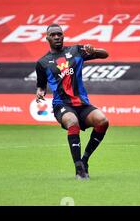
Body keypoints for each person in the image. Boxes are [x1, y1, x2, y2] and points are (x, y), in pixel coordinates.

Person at [35, 23, 110, 180]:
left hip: (82, 104)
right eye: (53, 35)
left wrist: (93, 50)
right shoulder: (42, 63)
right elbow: (41, 86)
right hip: (62, 105)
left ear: (63, 36)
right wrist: (40, 93)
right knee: (72, 121)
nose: (57, 37)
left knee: (103, 121)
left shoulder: (76, 50)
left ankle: (85, 160)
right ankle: (79, 169)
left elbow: (105, 54)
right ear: (47, 38)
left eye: (59, 34)